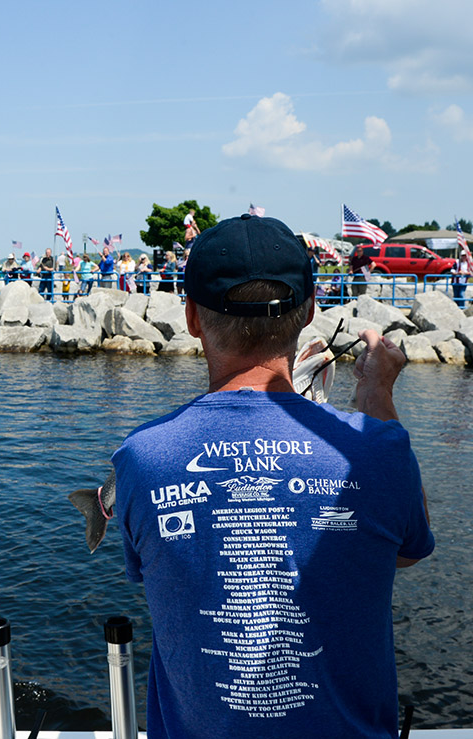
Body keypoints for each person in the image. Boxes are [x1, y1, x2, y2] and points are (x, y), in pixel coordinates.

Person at [113, 214, 433, 739]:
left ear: (192, 316)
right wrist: (376, 394)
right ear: (308, 311)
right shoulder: (378, 449)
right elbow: (406, 547)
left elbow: (163, 568)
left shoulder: (142, 459)